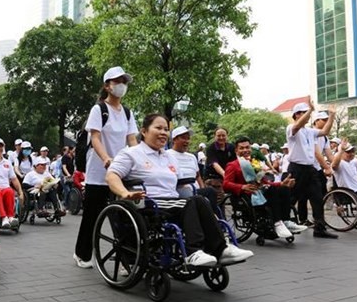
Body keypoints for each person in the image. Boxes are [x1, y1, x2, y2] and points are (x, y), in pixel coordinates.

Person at [106, 114, 254, 266]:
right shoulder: (131, 153)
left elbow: (181, 184)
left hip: (172, 200)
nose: (163, 132)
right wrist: (125, 193)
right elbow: (112, 176)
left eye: (166, 129)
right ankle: (193, 252)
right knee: (191, 203)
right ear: (144, 131)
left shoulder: (169, 157)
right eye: (158, 128)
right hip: (147, 201)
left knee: (199, 199)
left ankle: (221, 249)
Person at [74, 66, 138, 269]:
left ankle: (128, 259)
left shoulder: (127, 113)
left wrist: (142, 159)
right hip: (98, 172)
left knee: (123, 216)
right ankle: (82, 254)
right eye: (117, 81)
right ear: (107, 86)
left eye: (124, 81)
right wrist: (106, 158)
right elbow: (95, 137)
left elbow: (132, 139)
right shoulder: (99, 110)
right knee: (92, 216)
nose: (121, 85)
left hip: (120, 173)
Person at [223, 137, 308, 237]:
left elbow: (264, 182)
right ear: (236, 150)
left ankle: (286, 221)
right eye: (241, 148)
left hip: (261, 191)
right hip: (247, 196)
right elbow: (226, 184)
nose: (245, 150)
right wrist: (242, 187)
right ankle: (277, 223)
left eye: (247, 147)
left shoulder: (255, 163)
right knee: (270, 189)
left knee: (283, 188)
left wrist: (281, 184)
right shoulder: (233, 165)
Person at [286, 100, 337, 238]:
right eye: (302, 113)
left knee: (317, 197)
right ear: (296, 115)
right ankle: (282, 222)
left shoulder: (310, 131)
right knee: (291, 198)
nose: (306, 115)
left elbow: (325, 131)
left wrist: (331, 116)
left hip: (310, 169)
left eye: (306, 112)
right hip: (296, 168)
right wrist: (310, 110)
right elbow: (297, 126)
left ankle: (319, 228)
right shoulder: (291, 128)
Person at [166, 126, 220, 216]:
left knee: (210, 191)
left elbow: (198, 175)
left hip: (195, 190)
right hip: (179, 190)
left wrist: (202, 187)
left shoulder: (191, 157)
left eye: (188, 139)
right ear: (174, 139)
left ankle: (216, 218)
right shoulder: (167, 155)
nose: (186, 141)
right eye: (183, 138)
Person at [204, 127, 236, 204]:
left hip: (227, 177)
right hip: (214, 178)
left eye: (223, 135)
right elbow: (215, 164)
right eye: (219, 136)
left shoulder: (231, 147)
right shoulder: (211, 148)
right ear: (215, 136)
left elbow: (235, 163)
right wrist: (226, 176)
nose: (221, 138)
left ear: (227, 136)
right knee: (218, 200)